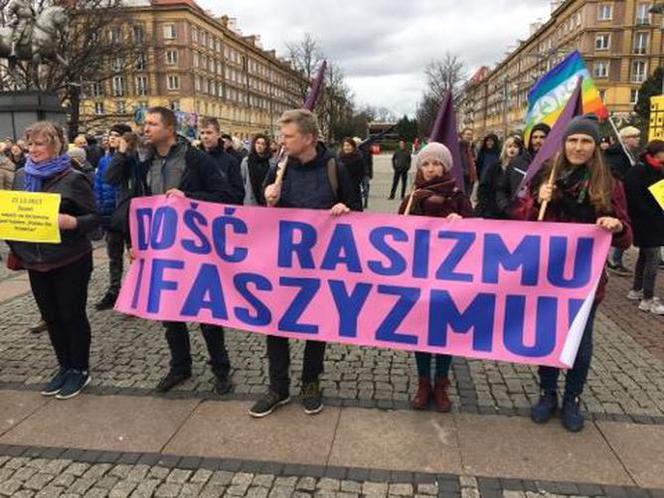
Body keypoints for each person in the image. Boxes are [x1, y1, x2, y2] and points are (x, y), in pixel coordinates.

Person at [511, 115, 632, 432]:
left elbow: (626, 233)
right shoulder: (547, 178)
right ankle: (547, 393)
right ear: (564, 144)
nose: (578, 147)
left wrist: (615, 226)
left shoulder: (609, 183)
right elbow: (522, 224)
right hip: (547, 275)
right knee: (548, 335)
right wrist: (537, 201)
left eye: (586, 141)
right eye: (573, 140)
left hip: (586, 280)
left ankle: (572, 399)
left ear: (595, 146)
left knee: (580, 341)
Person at [106, 106, 236, 394]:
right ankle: (180, 367)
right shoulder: (142, 161)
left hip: (196, 249)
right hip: (160, 248)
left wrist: (188, 197)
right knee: (169, 311)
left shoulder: (194, 158)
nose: (146, 129)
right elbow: (129, 197)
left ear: (169, 129)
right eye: (145, 124)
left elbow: (226, 196)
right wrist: (136, 242)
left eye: (152, 124)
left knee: (206, 312)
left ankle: (221, 369)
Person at [251, 109, 361, 418]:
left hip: (320, 263)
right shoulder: (278, 167)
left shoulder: (333, 168)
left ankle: (310, 382)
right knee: (275, 323)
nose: (281, 141)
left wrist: (345, 208)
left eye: (288, 136)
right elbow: (266, 213)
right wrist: (268, 198)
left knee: (317, 321)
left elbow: (357, 210)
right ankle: (278, 386)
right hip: (283, 262)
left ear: (309, 138)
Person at [6, 121, 100, 399]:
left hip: (69, 258)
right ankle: (64, 366)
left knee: (71, 315)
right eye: (31, 144)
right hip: (35, 260)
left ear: (56, 145)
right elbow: (15, 211)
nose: (34, 149)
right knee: (51, 317)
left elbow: (94, 218)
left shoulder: (73, 178)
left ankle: (80, 370)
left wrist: (71, 222)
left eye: (40, 144)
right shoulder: (22, 175)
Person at [400, 142, 473, 412]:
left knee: (443, 331)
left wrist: (460, 221)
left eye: (436, 163)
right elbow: (397, 234)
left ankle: (441, 384)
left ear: (445, 166)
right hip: (419, 273)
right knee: (421, 329)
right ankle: (423, 384)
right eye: (426, 163)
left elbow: (477, 231)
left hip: (448, 275)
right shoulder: (412, 197)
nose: (431, 169)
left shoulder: (457, 195)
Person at [94, 123, 132, 311]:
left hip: (128, 214)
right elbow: (100, 185)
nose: (111, 138)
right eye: (110, 135)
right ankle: (114, 290)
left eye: (116, 135)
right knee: (114, 256)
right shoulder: (104, 160)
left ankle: (134, 292)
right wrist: (100, 208)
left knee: (134, 255)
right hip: (110, 214)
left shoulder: (130, 158)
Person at [624, 140, 664, 315]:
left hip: (656, 220)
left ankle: (636, 289)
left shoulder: (659, 169)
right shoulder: (638, 170)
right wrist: (649, 211)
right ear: (656, 153)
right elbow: (633, 197)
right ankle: (648, 299)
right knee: (653, 257)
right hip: (644, 221)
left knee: (644, 255)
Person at [605, 126, 641, 275]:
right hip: (619, 198)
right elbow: (617, 177)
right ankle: (613, 259)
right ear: (626, 138)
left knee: (623, 228)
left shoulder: (628, 154)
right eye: (635, 136)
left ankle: (615, 258)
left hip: (627, 197)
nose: (638, 139)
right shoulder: (619, 155)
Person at [199, 117, 244, 205]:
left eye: (209, 132)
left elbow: (238, 195)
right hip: (196, 214)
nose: (205, 136)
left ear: (218, 134)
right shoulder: (193, 160)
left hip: (220, 214)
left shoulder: (231, 161)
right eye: (202, 133)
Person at [476, 136, 523, 219]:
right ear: (505, 149)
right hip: (493, 211)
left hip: (513, 211)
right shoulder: (495, 167)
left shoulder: (522, 168)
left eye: (515, 147)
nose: (512, 149)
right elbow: (484, 188)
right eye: (509, 146)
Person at [240, 134, 273, 206]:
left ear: (266, 146)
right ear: (254, 145)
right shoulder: (246, 161)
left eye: (262, 144)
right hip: (250, 200)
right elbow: (243, 180)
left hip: (266, 200)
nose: (259, 146)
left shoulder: (271, 163)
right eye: (257, 143)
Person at [338, 137, 365, 208]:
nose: (346, 147)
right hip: (341, 189)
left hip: (354, 188)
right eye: (345, 145)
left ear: (353, 147)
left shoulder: (358, 158)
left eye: (348, 145)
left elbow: (361, 174)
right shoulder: (339, 158)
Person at [459, 128, 478, 195]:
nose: (469, 136)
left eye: (471, 135)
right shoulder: (459, 146)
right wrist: (463, 171)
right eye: (467, 134)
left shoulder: (472, 147)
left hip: (471, 177)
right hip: (463, 176)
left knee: (468, 197)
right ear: (462, 135)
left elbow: (475, 159)